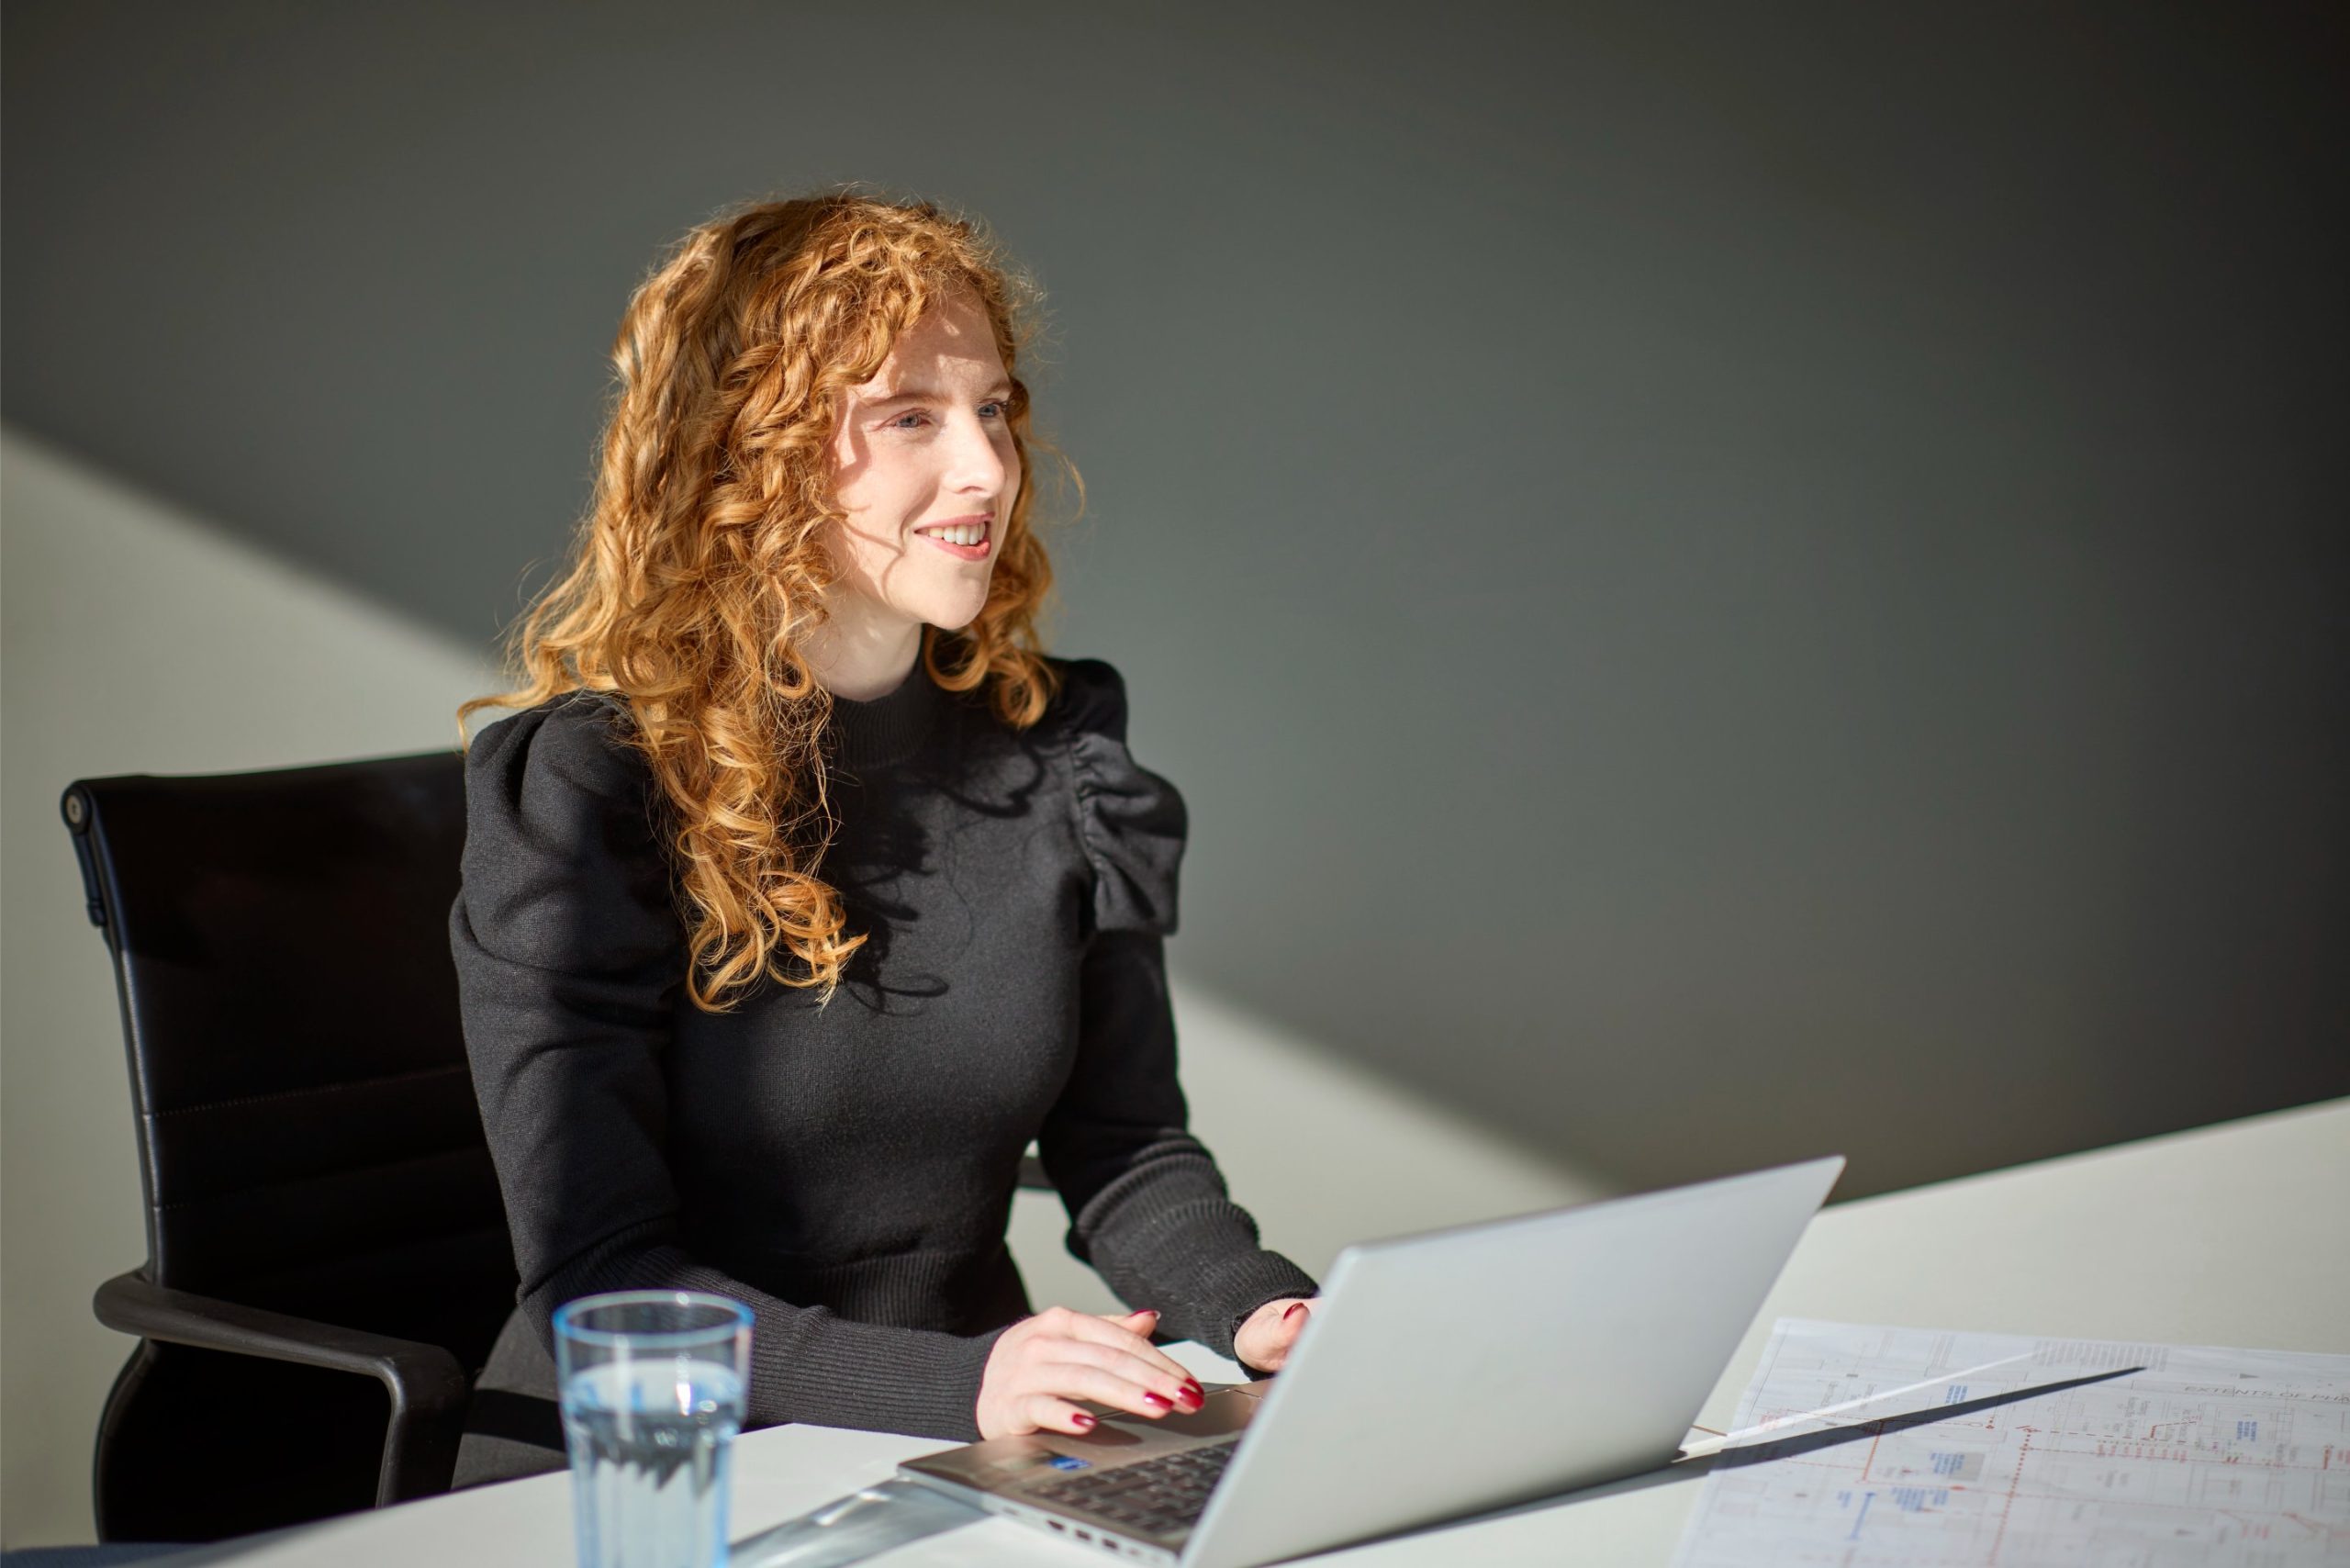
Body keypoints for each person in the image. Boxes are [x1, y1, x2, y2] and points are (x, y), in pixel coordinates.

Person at [446, 191, 1319, 1485]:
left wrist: (1265, 1313)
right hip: (656, 1470)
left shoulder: (1057, 749)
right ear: (750, 448)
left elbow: (1125, 1147)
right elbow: (596, 1284)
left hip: (976, 1442)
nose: (985, 466)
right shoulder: (589, 786)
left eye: (995, 409)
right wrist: (965, 1382)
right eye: (909, 416)